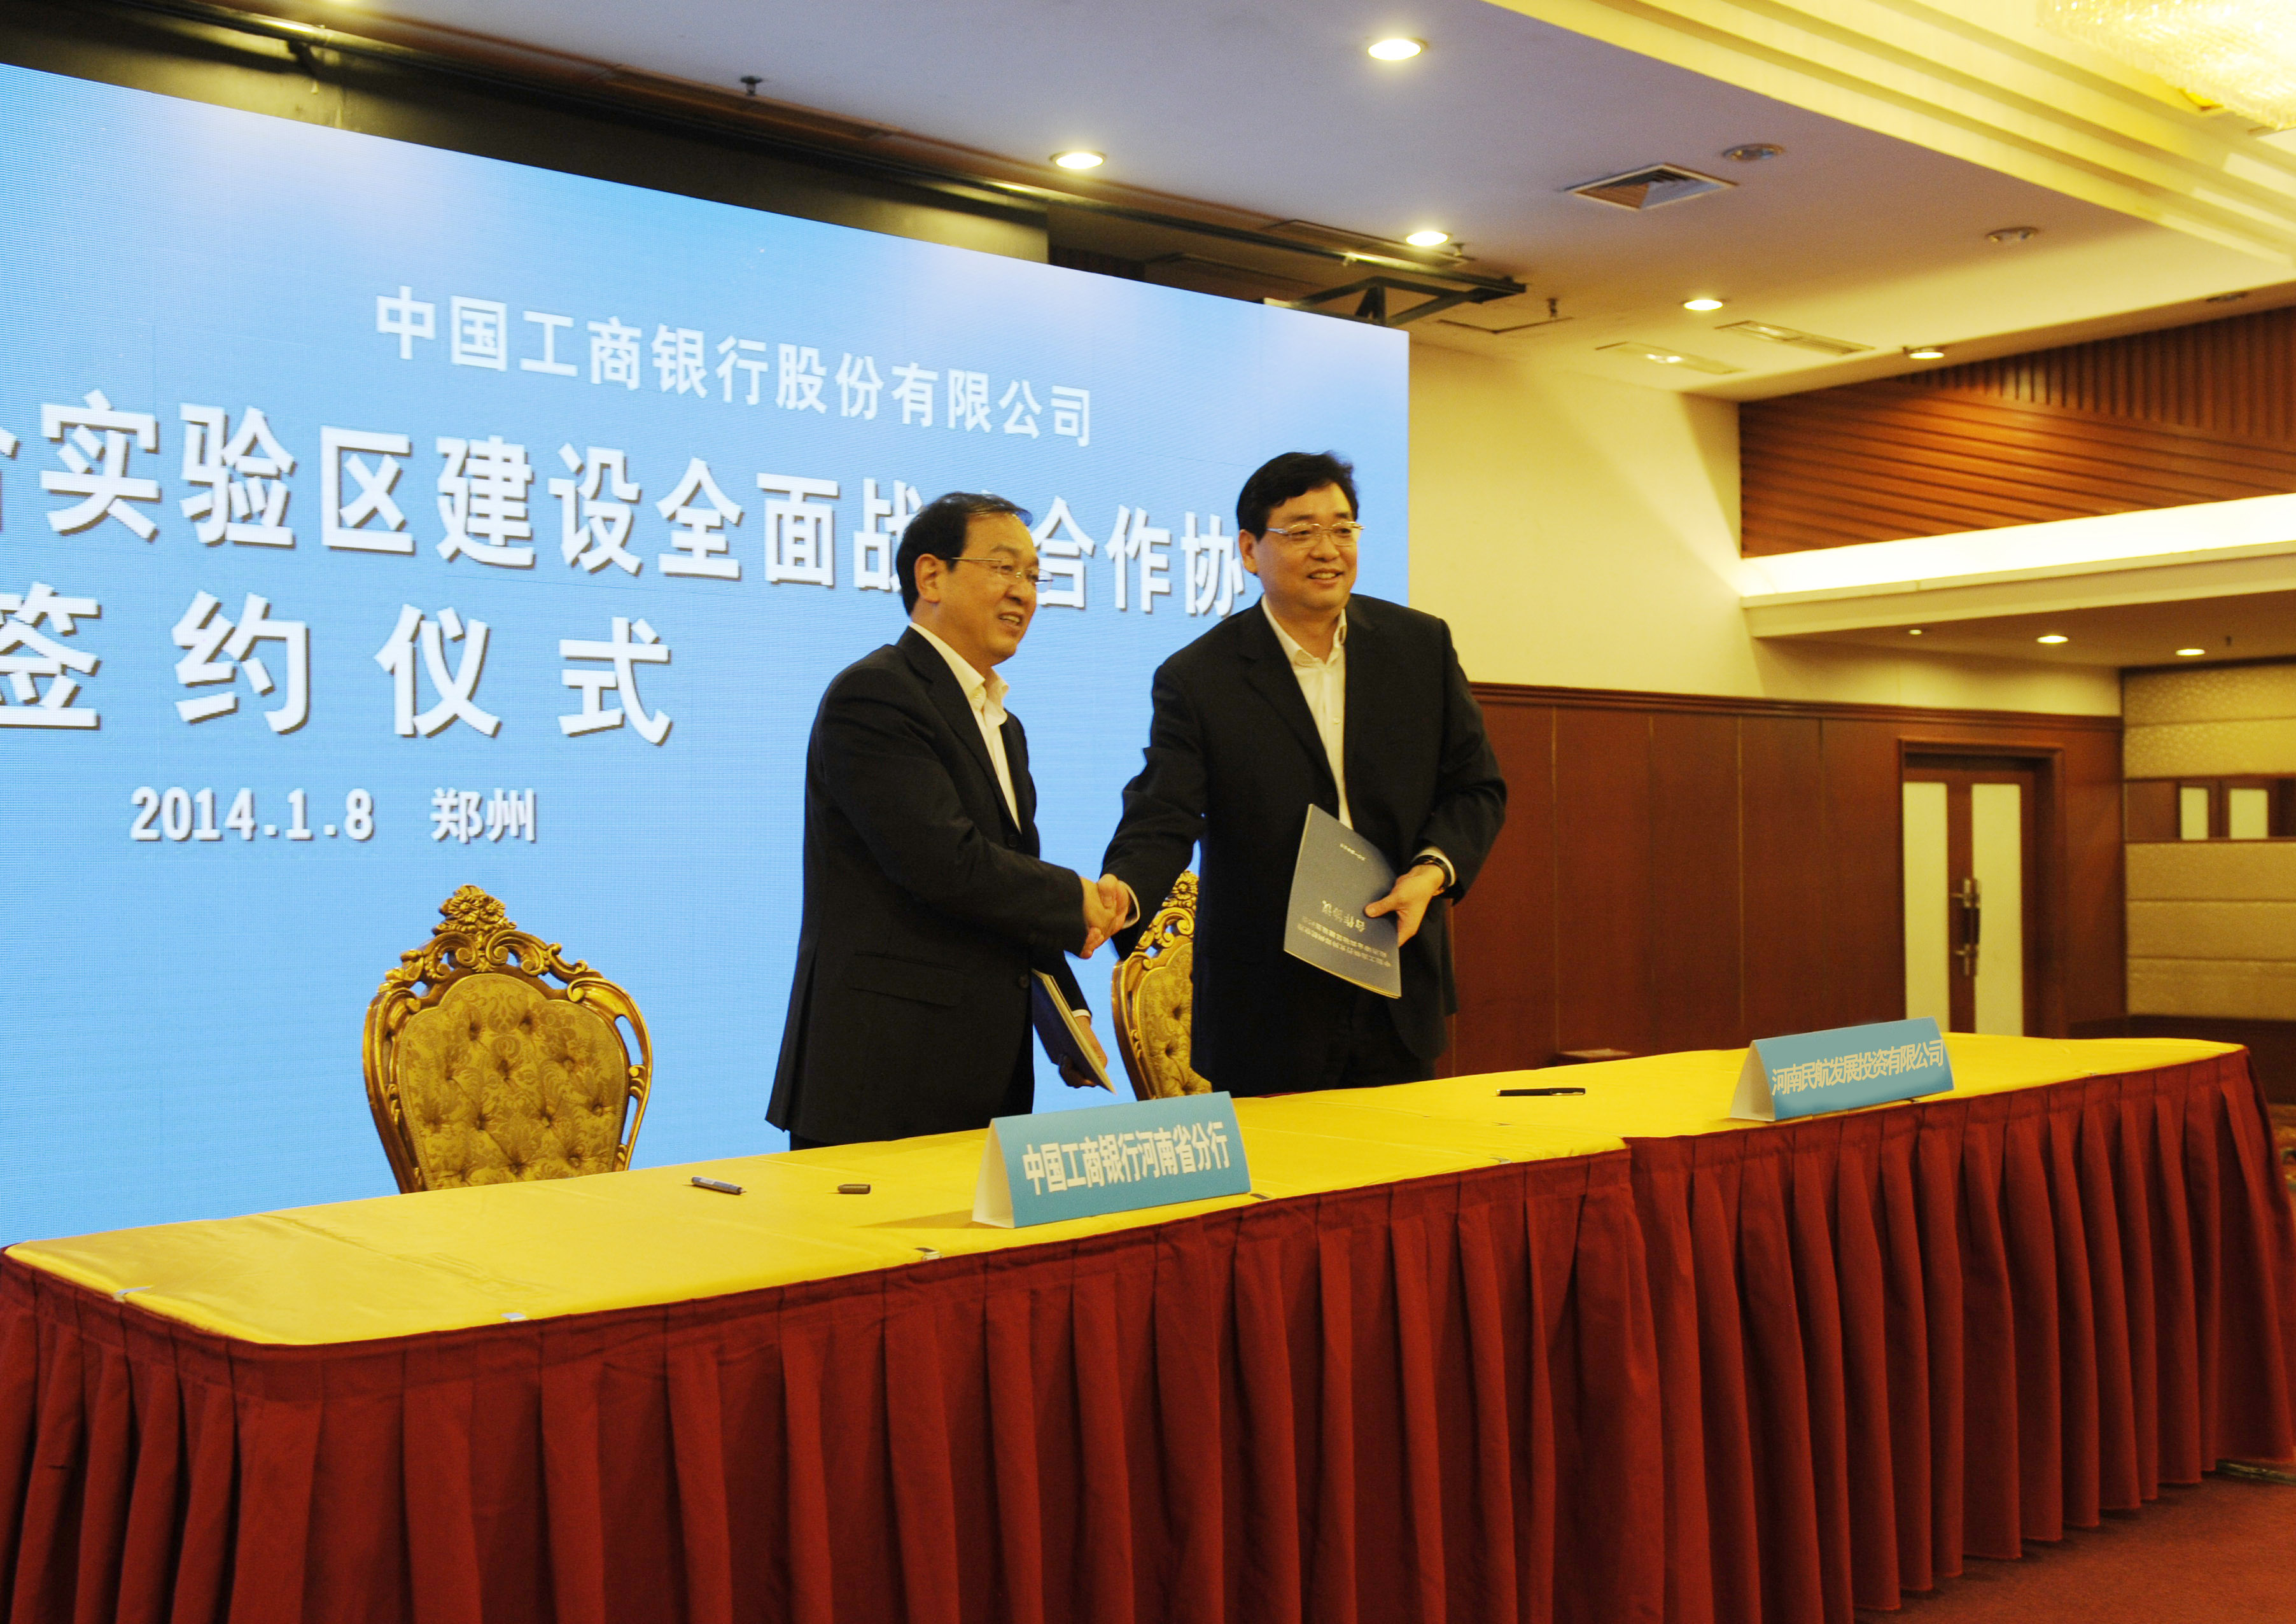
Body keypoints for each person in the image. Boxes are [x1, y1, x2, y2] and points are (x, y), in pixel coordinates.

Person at [1099, 451, 1505, 1095]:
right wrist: (1122, 890)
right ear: (1248, 549)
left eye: (1342, 529)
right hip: (1266, 1002)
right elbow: (1164, 811)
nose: (1328, 549)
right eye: (1301, 531)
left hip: (1395, 980)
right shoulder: (1199, 677)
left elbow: (1475, 787)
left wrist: (1430, 872)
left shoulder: (1418, 647)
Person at [769, 491, 1118, 1147]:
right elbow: (944, 863)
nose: (1023, 593)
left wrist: (1067, 1014)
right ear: (931, 576)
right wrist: (1073, 897)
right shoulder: (874, 694)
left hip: (984, 1073)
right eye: (1004, 568)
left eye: (1034, 576)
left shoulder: (1003, 724)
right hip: (884, 1074)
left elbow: (1011, 880)